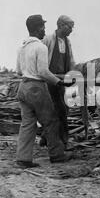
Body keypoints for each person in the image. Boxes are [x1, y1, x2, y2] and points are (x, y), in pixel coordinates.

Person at [16, 14, 70, 168]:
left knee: (27, 124)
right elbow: (44, 72)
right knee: (51, 120)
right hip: (36, 88)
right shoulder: (41, 47)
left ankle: (23, 159)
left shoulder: (22, 47)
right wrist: (59, 82)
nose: (44, 30)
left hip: (23, 87)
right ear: (38, 28)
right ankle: (57, 155)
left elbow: (19, 71)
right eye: (43, 27)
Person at [42, 15, 76, 146]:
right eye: (70, 27)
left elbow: (71, 60)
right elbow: (42, 59)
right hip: (50, 80)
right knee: (57, 108)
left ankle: (46, 137)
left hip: (63, 80)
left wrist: (73, 74)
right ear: (61, 25)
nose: (71, 30)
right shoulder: (48, 39)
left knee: (64, 108)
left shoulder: (67, 42)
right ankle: (62, 139)